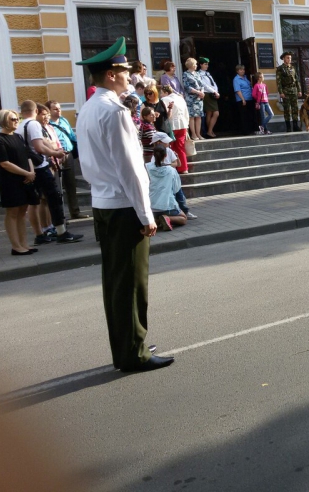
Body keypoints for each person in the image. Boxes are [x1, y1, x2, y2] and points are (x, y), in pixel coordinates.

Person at [76, 36, 173, 373]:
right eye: (125, 71)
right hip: (123, 206)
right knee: (132, 284)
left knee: (116, 281)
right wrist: (146, 214)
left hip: (105, 203)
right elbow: (130, 168)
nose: (130, 75)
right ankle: (134, 353)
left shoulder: (89, 108)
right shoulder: (114, 111)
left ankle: (128, 345)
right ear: (111, 75)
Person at [17, 100, 83, 245]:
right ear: (35, 111)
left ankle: (40, 234)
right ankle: (61, 232)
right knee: (53, 198)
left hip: (30, 167)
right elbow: (39, 147)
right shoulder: (33, 124)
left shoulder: (20, 125)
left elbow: (42, 142)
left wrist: (53, 149)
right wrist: (55, 153)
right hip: (40, 166)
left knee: (35, 203)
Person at [0, 109, 38, 256]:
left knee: (23, 212)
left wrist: (31, 172)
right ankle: (16, 246)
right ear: (4, 120)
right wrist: (26, 173)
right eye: (13, 119)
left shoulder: (18, 136)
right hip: (11, 181)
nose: (17, 121)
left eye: (17, 118)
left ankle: (24, 243)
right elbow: (4, 163)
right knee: (12, 212)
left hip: (25, 179)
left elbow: (27, 155)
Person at [47, 100, 87, 219]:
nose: (58, 110)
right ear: (48, 111)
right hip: (55, 156)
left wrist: (78, 153)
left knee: (71, 184)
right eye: (55, 109)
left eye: (59, 108)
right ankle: (59, 216)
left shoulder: (64, 120)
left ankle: (75, 212)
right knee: (57, 186)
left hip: (68, 154)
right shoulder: (46, 124)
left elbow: (72, 136)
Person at [149, 131, 196, 219]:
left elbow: (177, 164)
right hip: (166, 180)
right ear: (158, 142)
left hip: (168, 179)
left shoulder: (169, 151)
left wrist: (167, 166)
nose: (168, 143)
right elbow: (176, 164)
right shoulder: (160, 154)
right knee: (175, 195)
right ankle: (175, 213)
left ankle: (182, 211)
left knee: (178, 195)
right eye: (165, 141)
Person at [146, 146, 188, 229]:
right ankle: (167, 218)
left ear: (153, 155)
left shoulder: (146, 167)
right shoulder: (171, 170)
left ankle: (156, 221)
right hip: (168, 205)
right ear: (165, 155)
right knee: (183, 218)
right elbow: (176, 188)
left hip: (150, 205)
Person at [159, 84, 189, 173]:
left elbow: (163, 115)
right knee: (180, 147)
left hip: (171, 125)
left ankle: (173, 167)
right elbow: (186, 112)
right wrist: (187, 126)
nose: (161, 95)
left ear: (165, 92)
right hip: (182, 124)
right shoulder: (181, 99)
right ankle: (184, 168)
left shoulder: (164, 100)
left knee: (170, 146)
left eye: (161, 93)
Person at [276, 51, 302, 132]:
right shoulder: (280, 69)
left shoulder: (292, 68)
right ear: (284, 59)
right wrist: (281, 92)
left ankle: (295, 125)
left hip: (293, 90)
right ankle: (288, 127)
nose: (289, 59)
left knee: (295, 108)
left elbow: (297, 80)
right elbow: (278, 82)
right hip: (286, 91)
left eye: (290, 58)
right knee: (287, 109)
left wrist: (299, 90)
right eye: (287, 58)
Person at [182, 57, 205, 140]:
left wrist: (202, 92)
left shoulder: (197, 74)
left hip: (199, 98)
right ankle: (193, 134)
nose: (196, 65)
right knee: (192, 116)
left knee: (199, 116)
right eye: (195, 64)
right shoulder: (186, 74)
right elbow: (187, 86)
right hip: (191, 98)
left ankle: (199, 134)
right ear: (191, 65)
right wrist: (198, 92)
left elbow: (202, 84)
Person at [198, 58, 221, 138]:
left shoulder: (208, 73)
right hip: (207, 94)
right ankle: (209, 131)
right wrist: (214, 91)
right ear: (200, 64)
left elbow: (213, 83)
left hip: (213, 93)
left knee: (211, 113)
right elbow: (204, 85)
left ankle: (210, 131)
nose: (207, 65)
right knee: (214, 113)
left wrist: (216, 90)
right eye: (205, 64)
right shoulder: (199, 74)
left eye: (207, 64)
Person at [233, 64, 256, 135]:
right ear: (237, 71)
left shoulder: (245, 77)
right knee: (244, 116)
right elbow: (238, 90)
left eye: (243, 69)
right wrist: (243, 99)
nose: (242, 71)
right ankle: (245, 131)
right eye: (240, 70)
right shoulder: (236, 79)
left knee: (250, 115)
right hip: (242, 100)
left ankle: (251, 129)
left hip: (249, 98)